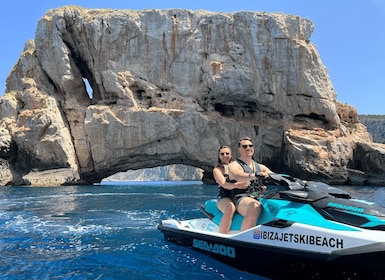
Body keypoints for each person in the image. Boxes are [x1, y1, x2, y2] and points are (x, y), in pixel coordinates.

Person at [228, 137, 273, 231]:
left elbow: (276, 176)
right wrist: (254, 176)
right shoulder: (234, 165)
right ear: (239, 149)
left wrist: (297, 181)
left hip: (259, 197)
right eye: (245, 146)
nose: (248, 148)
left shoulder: (260, 166)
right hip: (241, 198)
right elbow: (238, 175)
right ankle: (244, 238)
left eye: (250, 146)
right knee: (254, 206)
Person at [213, 145, 250, 234]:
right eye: (222, 154)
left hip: (239, 196)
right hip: (225, 197)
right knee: (230, 208)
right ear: (219, 156)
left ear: (231, 155)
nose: (225, 155)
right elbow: (223, 183)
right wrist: (236, 185)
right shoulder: (217, 170)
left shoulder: (238, 167)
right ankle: (222, 235)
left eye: (227, 153)